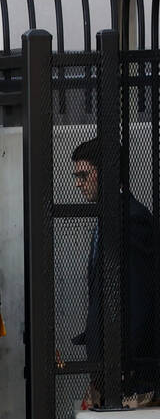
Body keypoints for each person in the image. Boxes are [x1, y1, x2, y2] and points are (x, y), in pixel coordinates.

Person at [70, 139, 158, 405]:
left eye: (83, 175)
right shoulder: (110, 217)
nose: (78, 183)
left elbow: (139, 300)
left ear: (105, 173)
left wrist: (119, 364)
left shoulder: (130, 220)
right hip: (113, 367)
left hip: (128, 375)